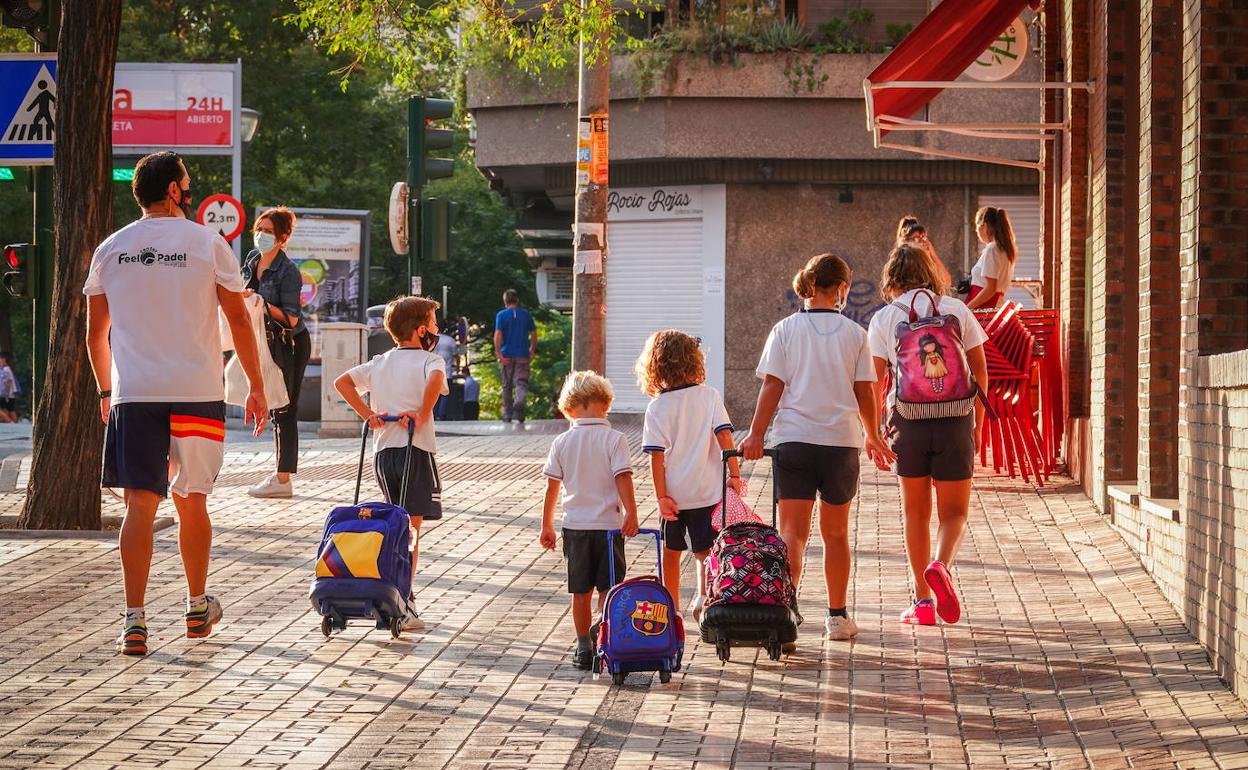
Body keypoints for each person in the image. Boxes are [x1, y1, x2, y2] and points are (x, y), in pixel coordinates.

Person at [84, 151, 267, 656]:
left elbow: (96, 335)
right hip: (196, 391)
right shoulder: (208, 245)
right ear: (173, 192)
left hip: (135, 393)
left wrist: (107, 390)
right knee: (192, 502)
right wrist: (255, 386)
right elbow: (237, 320)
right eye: (187, 183)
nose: (190, 189)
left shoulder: (110, 249)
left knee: (138, 508)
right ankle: (195, 606)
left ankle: (134, 621)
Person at [739, 254, 896, 645]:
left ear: (809, 286)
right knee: (836, 534)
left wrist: (756, 435)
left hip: (794, 440)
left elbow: (772, 385)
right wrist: (873, 435)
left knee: (792, 534)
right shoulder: (855, 334)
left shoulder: (785, 329)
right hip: (841, 444)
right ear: (842, 289)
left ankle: (784, 615)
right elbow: (866, 390)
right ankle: (837, 617)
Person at [867, 243, 989, 626]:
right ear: (931, 272)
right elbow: (980, 373)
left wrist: (873, 434)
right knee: (954, 513)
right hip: (955, 419)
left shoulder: (885, 318)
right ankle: (941, 564)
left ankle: (922, 602)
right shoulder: (956, 309)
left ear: (892, 278)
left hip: (908, 423)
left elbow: (873, 382)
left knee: (916, 513)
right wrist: (978, 424)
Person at [333, 295, 449, 631]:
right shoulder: (431, 361)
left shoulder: (380, 362)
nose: (437, 330)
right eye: (434, 324)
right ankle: (404, 600)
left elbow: (342, 382)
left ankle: (390, 594)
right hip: (416, 448)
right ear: (421, 329)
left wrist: (368, 415)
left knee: (395, 522)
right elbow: (435, 383)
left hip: (384, 453)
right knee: (410, 529)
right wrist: (423, 413)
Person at [540, 371, 640, 670]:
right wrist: (632, 511)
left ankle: (583, 646)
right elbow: (622, 477)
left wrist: (546, 524)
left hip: (575, 527)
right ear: (605, 404)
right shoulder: (615, 438)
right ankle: (605, 632)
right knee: (609, 588)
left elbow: (552, 486)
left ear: (569, 407)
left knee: (579, 591)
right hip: (609, 528)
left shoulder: (562, 441)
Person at [637, 329, 739, 620]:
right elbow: (725, 438)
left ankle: (672, 610)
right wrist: (734, 474)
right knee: (705, 551)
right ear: (694, 360)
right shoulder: (709, 396)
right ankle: (704, 596)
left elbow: (656, 458)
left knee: (671, 552)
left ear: (655, 365)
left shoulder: (657, 407)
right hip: (708, 490)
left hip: (674, 495)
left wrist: (661, 497)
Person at [243, 208, 311, 499]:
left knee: (285, 408)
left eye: (269, 232)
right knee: (273, 405)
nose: (262, 235)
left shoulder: (289, 272)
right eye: (260, 229)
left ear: (283, 238)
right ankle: (280, 476)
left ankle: (283, 479)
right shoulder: (251, 259)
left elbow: (292, 319)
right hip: (262, 341)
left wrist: (260, 302)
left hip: (289, 344)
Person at [494, 289, 537, 423]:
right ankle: (519, 404)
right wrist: (532, 349)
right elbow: (534, 334)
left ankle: (508, 414)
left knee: (507, 385)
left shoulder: (501, 315)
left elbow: (498, 335)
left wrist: (498, 352)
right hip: (523, 354)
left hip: (506, 355)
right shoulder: (526, 315)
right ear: (517, 300)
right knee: (521, 383)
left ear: (505, 301)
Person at [965, 206, 1017, 310]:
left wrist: (967, 308)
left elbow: (990, 288)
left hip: (986, 308)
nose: (976, 231)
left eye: (977, 226)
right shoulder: (1003, 249)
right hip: (994, 305)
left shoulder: (992, 250)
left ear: (984, 225)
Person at [432, 324, 457, 420]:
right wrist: (457, 368)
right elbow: (456, 356)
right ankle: (441, 415)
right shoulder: (450, 340)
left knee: (434, 393)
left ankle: (433, 413)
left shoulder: (432, 340)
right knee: (444, 395)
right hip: (447, 372)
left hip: (433, 371)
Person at [0, 353, 18, 423]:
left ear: (4, 359)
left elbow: (9, 381)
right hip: (8, 394)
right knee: (10, 409)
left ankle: (10, 421)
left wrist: (6, 393)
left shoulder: (6, 369)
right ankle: (13, 422)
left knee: (10, 409)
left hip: (7, 394)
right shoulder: (5, 368)